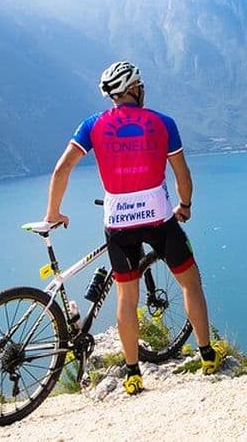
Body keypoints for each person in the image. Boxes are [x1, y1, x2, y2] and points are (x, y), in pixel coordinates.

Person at [43, 61, 225, 395]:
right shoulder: (162, 123)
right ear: (133, 89)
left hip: (118, 223)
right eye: (140, 84)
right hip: (159, 219)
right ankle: (207, 355)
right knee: (190, 283)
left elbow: (61, 169)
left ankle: (132, 374)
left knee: (126, 297)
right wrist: (184, 205)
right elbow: (182, 174)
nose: (143, 89)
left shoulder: (92, 125)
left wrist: (53, 211)